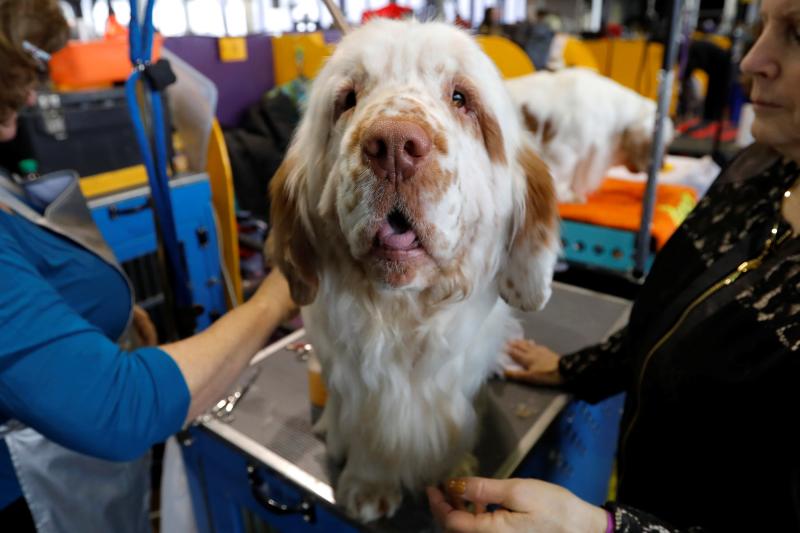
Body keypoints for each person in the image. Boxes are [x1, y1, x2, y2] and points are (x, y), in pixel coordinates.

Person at [428, 0, 800, 530]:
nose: (751, 60)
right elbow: (675, 314)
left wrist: (608, 530)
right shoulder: (758, 170)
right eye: (762, 26)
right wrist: (575, 367)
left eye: (798, 33)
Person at [0, 1, 296, 531]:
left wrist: (104, 310)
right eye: (17, 80)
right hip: (32, 497)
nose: (29, 97)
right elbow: (120, 407)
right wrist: (277, 294)